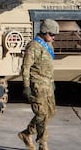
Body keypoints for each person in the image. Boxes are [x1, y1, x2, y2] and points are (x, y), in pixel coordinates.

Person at [18, 19, 59, 150]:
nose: (53, 38)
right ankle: (43, 143)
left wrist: (52, 81)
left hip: (47, 83)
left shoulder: (48, 45)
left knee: (51, 112)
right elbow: (25, 68)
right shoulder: (33, 46)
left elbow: (49, 66)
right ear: (44, 32)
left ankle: (27, 133)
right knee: (41, 114)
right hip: (37, 84)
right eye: (52, 35)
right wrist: (26, 86)